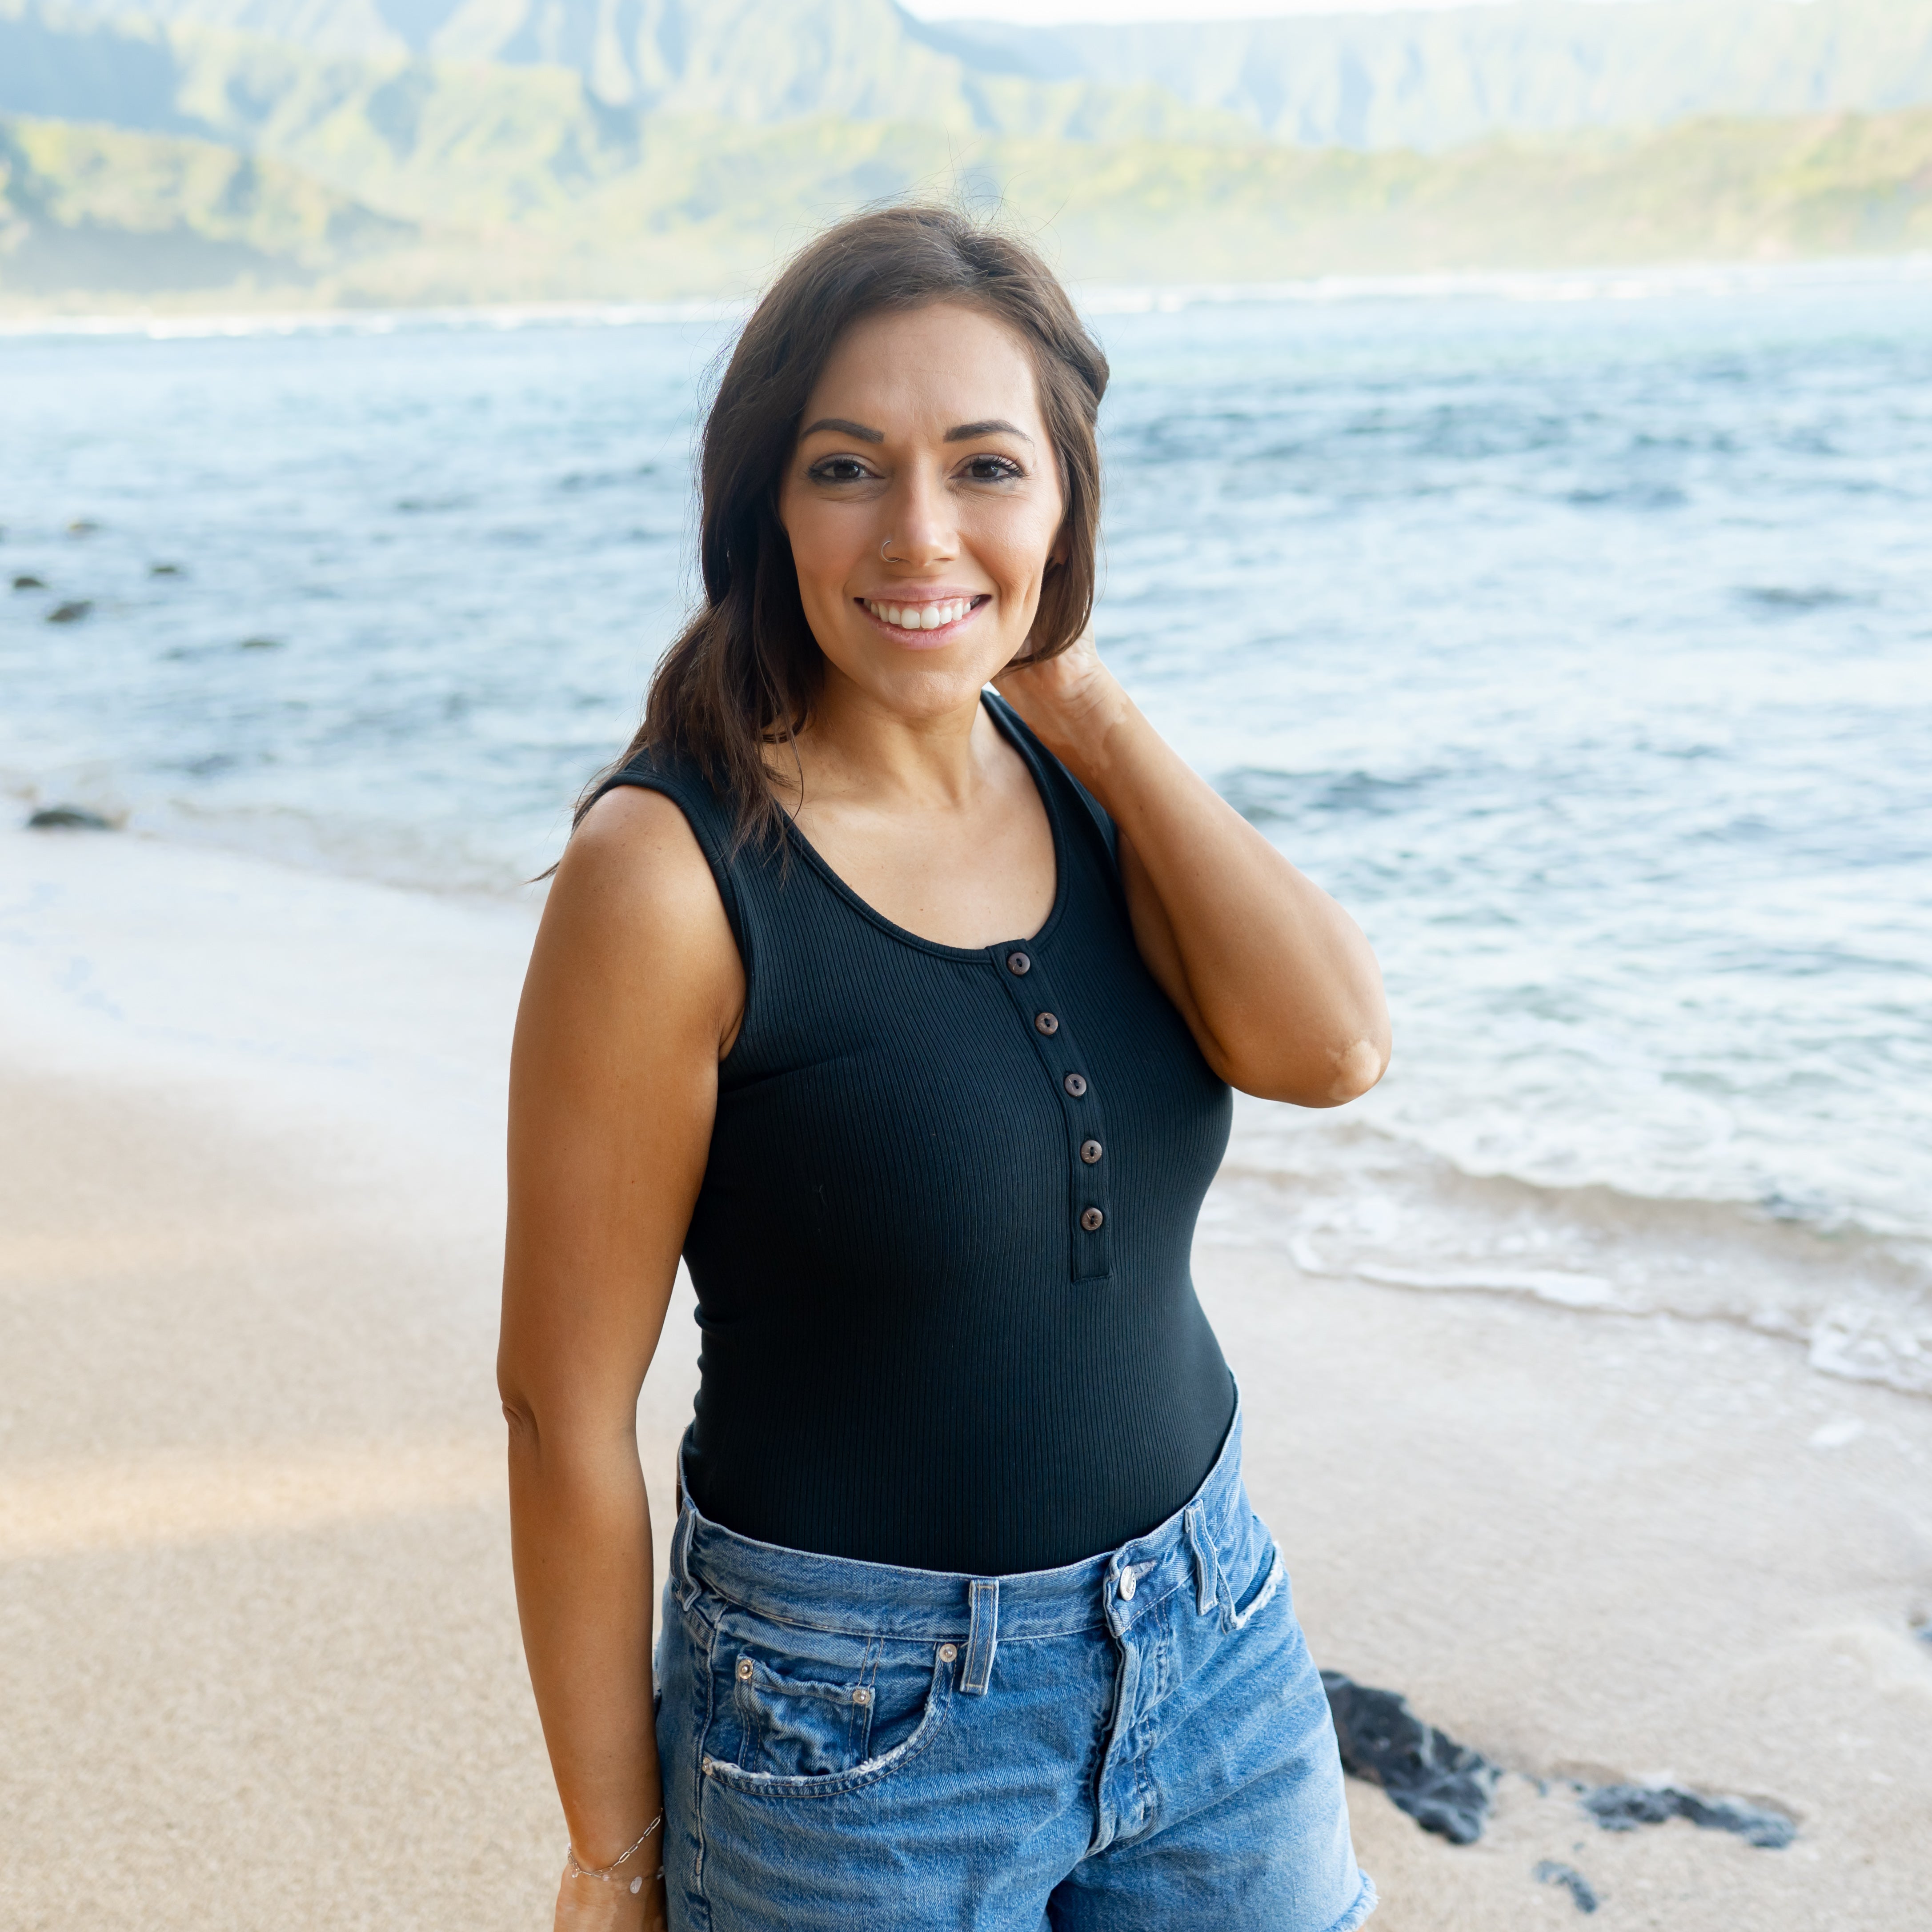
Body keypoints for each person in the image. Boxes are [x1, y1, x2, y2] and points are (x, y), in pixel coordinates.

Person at [497, 205, 1389, 1932]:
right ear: (767, 500)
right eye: (848, 468)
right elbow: (559, 1407)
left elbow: (1331, 1044)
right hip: (854, 1734)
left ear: (1063, 501)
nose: (920, 532)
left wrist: (1094, 711)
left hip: (1212, 1642)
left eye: (987, 468)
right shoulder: (670, 873)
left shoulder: (1080, 780)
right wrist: (610, 1851)